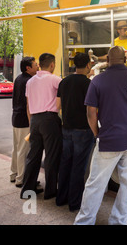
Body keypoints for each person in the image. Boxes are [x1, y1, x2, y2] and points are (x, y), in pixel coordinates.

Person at [74, 46, 127, 225]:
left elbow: (91, 113)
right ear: (125, 60)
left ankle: (84, 222)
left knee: (95, 184)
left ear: (107, 60)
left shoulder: (98, 80)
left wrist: (97, 133)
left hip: (110, 139)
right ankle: (118, 221)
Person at [56, 52, 95, 212]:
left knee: (65, 163)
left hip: (66, 128)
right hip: (83, 130)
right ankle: (74, 202)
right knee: (78, 167)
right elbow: (91, 109)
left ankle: (61, 198)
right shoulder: (89, 84)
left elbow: (58, 104)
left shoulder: (64, 82)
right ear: (88, 65)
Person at [20, 53, 62, 200]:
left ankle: (27, 189)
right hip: (49, 120)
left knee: (33, 156)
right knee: (51, 156)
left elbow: (27, 105)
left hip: (34, 120)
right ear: (52, 65)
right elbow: (63, 96)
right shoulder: (55, 79)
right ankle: (50, 191)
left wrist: (32, 123)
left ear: (40, 64)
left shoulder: (30, 82)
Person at [10, 56, 38, 187]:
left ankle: (14, 174)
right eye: (35, 65)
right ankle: (21, 179)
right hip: (24, 120)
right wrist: (32, 122)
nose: (37, 66)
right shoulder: (30, 81)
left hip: (16, 118)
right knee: (23, 150)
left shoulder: (18, 78)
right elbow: (29, 104)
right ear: (28, 68)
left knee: (16, 148)